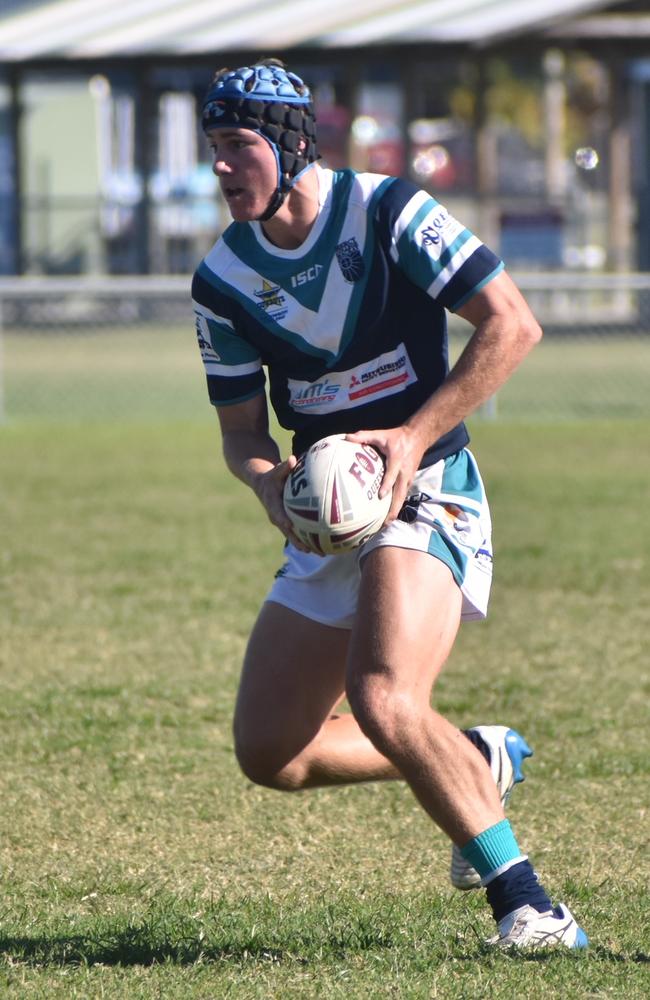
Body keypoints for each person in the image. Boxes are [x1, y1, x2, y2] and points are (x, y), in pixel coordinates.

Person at [191, 58, 588, 950]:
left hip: (429, 486)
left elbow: (511, 324)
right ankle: (477, 759)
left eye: (235, 148)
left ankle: (528, 905)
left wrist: (409, 441)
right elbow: (241, 435)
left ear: (291, 146)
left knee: (384, 697)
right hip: (327, 513)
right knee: (273, 754)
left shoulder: (387, 212)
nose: (219, 168)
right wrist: (267, 486)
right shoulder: (221, 281)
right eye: (212, 149)